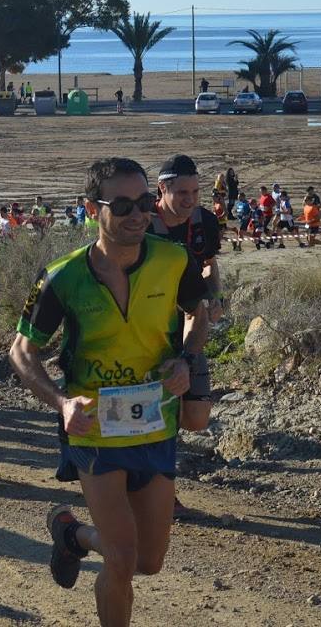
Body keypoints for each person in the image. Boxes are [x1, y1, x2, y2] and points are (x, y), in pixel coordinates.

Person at [9, 157, 210, 627]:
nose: (138, 214)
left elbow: (199, 311)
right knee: (121, 560)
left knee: (149, 561)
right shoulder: (62, 276)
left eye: (143, 202)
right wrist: (60, 404)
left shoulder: (173, 259)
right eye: (122, 205)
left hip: (155, 425)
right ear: (90, 208)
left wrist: (186, 358)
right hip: (94, 429)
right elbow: (21, 350)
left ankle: (73, 535)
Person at [147, 155, 222, 514]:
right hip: (150, 329)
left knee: (196, 417)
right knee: (163, 417)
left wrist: (215, 296)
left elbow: (209, 264)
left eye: (195, 191)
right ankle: (161, 491)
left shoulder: (204, 221)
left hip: (193, 325)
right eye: (182, 192)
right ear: (162, 189)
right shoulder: (141, 221)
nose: (190, 199)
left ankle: (153, 445)